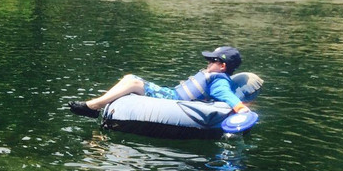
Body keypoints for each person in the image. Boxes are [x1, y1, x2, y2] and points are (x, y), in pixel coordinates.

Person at [68, 46, 253, 118]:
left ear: (222, 66)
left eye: (212, 60)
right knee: (130, 78)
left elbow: (226, 95)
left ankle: (93, 106)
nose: (208, 63)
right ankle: (95, 106)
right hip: (170, 94)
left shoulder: (219, 80)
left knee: (133, 82)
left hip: (173, 101)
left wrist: (240, 108)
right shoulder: (213, 75)